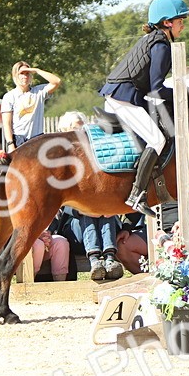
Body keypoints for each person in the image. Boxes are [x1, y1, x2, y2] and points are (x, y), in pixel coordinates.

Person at [99, 0, 189, 216]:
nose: (183, 25)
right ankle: (136, 194)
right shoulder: (160, 45)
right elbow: (157, 90)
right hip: (123, 97)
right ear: (167, 22)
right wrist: (182, 94)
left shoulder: (154, 39)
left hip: (125, 94)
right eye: (180, 20)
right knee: (157, 140)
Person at [55, 111, 122, 280]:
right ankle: (95, 261)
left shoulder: (96, 158)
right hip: (75, 227)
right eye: (73, 130)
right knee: (86, 211)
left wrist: (106, 206)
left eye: (80, 129)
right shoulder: (59, 163)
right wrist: (83, 209)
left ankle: (109, 260)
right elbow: (59, 202)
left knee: (105, 210)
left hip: (105, 221)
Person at [1, 61, 62, 152]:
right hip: (19, 140)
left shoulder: (39, 92)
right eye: (21, 73)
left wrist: (36, 70)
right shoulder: (9, 96)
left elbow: (57, 81)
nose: (25, 76)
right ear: (15, 75)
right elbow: (7, 124)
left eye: (27, 73)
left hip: (37, 139)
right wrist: (10, 144)